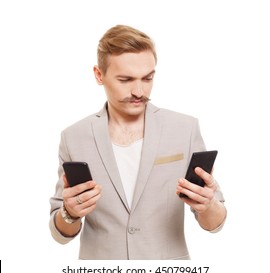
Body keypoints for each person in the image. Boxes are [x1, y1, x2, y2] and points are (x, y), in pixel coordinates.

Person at [49, 25, 226, 260]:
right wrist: (70, 213)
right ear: (99, 75)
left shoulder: (184, 129)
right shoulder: (73, 137)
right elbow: (61, 234)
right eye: (125, 79)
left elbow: (215, 223)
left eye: (148, 78)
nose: (139, 91)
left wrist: (208, 205)